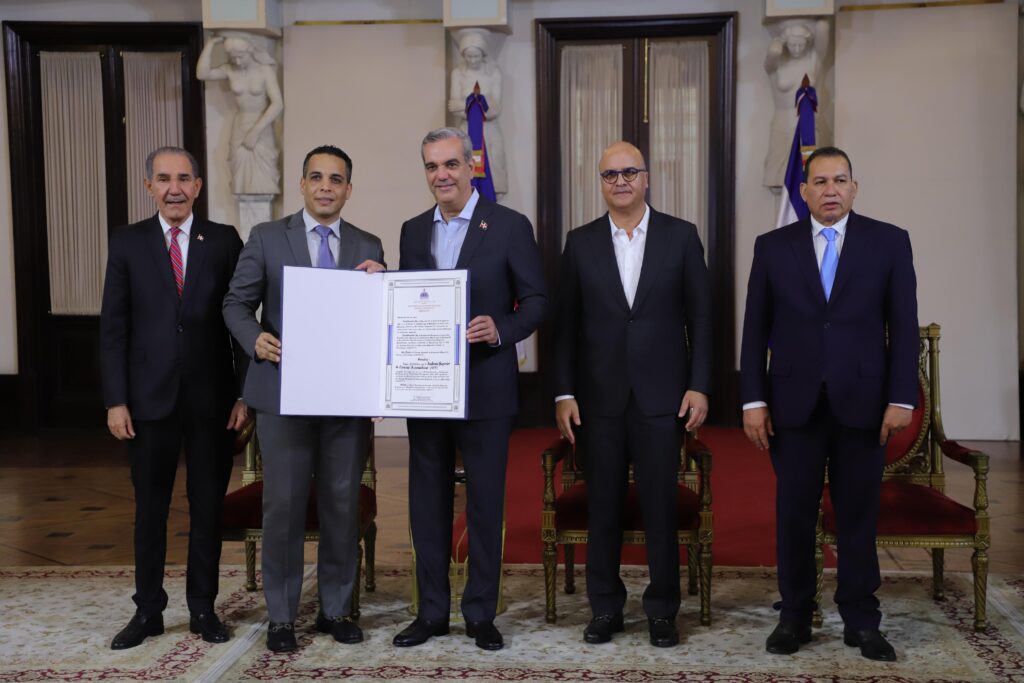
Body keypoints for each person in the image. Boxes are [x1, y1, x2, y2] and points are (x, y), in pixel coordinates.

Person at [740, 147, 918, 662]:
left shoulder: (889, 242)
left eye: (840, 180)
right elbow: (755, 329)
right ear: (804, 191)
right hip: (792, 405)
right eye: (820, 181)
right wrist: (753, 400)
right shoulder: (773, 247)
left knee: (858, 515)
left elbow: (904, 325)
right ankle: (794, 616)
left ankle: (861, 620)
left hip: (864, 404)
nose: (831, 190)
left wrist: (901, 397)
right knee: (794, 514)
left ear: (854, 188)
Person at [222, 145, 385, 653]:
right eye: (316, 177)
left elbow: (377, 318)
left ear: (348, 189)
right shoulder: (267, 237)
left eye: (335, 179)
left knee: (341, 505)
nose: (325, 187)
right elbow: (235, 303)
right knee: (284, 507)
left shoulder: (368, 244)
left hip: (345, 398)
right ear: (302, 184)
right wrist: (255, 339)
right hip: (283, 395)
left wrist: (383, 287)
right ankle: (282, 617)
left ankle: (336, 610)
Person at [552, 141, 712, 648]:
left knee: (660, 506)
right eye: (610, 174)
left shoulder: (681, 236)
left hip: (663, 398)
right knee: (603, 506)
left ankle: (662, 611)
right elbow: (564, 327)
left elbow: (702, 318)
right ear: (600, 183)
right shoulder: (579, 243)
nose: (620, 181)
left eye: (629, 172)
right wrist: (563, 392)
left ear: (646, 178)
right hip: (597, 400)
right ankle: (606, 608)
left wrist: (700, 384)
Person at [393, 127, 547, 651]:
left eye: (451, 164)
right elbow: (409, 302)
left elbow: (537, 301)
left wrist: (501, 328)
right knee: (427, 503)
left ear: (472, 165)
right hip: (425, 389)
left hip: (486, 386)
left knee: (484, 504)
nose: (442, 175)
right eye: (432, 166)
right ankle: (432, 612)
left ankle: (481, 613)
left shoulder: (508, 225)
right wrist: (379, 283)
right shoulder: (413, 230)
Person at [100, 146, 249, 650]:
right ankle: (148, 610)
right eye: (164, 179)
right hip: (146, 402)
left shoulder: (223, 240)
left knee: (207, 508)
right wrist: (116, 400)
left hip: (213, 401)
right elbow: (114, 327)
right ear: (149, 187)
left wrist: (244, 393)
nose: (175, 188)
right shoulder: (128, 242)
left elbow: (241, 318)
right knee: (150, 510)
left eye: (184, 178)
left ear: (198, 186)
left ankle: (203, 608)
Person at [197, 32, 283, 195]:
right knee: (240, 180)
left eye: (241, 57)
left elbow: (277, 104)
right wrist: (210, 45)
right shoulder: (230, 70)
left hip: (261, 127)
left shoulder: (265, 71)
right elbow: (202, 74)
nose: (237, 61)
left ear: (250, 51)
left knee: (264, 179)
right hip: (240, 126)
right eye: (233, 57)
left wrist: (255, 132)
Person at [763, 19, 829, 189]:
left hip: (806, 124)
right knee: (778, 177)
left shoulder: (814, 59)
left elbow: (823, 27)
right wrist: (777, 42)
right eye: (793, 45)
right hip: (782, 122)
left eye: (801, 45)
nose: (797, 49)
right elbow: (771, 57)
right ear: (786, 43)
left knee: (808, 176)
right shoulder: (778, 63)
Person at [448, 28, 507, 199]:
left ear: (483, 54)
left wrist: (466, 104)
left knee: (495, 165)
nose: (472, 60)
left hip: (489, 129)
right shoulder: (458, 74)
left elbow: (495, 109)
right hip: (467, 129)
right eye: (468, 56)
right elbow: (453, 106)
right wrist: (479, 103)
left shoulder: (494, 74)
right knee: (466, 165)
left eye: (476, 56)